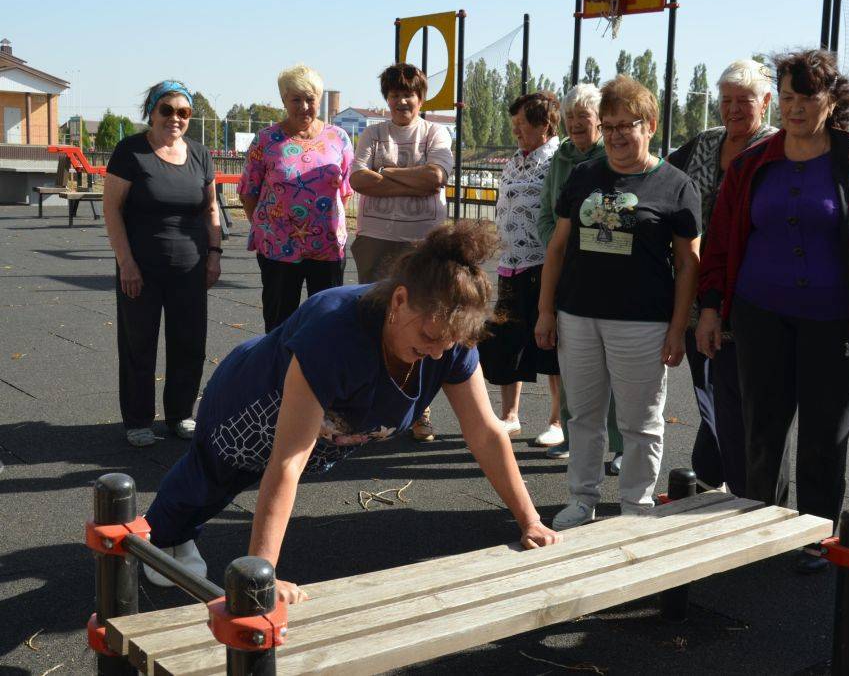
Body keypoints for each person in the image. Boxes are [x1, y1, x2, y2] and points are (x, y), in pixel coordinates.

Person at [142, 221, 560, 600]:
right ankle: (158, 538)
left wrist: (530, 520)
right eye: (430, 336)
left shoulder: (448, 342)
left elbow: (486, 433)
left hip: (328, 422)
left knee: (242, 483)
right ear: (399, 300)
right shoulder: (335, 331)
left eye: (447, 344)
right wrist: (261, 577)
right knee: (213, 477)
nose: (436, 352)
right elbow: (288, 461)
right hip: (250, 400)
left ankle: (177, 535)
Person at [696, 49, 849, 573]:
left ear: (831, 100)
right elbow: (720, 242)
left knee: (824, 434)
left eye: (805, 97)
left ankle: (817, 533)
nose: (793, 109)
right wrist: (709, 309)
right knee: (760, 429)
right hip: (759, 315)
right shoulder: (752, 164)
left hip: (834, 321)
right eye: (786, 97)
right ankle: (760, 523)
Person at [535, 76, 701, 529]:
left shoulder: (676, 185)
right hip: (578, 316)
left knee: (640, 422)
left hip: (642, 323)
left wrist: (676, 327)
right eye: (607, 126)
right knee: (583, 415)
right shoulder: (584, 175)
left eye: (625, 125)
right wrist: (546, 310)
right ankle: (582, 500)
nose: (614, 135)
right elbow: (557, 247)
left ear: (649, 126)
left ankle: (635, 505)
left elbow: (689, 264)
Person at [668, 59, 778, 495]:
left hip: (750, 295)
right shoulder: (705, 143)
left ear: (766, 102)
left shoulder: (776, 148)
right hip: (699, 295)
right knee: (710, 390)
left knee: (745, 400)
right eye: (726, 100)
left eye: (744, 101)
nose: (733, 110)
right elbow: (662, 179)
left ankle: (741, 486)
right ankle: (713, 472)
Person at [103, 80, 221, 447]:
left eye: (183, 112)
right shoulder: (131, 152)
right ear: (151, 112)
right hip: (142, 266)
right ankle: (138, 419)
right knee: (139, 343)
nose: (175, 118)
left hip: (190, 266)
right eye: (167, 110)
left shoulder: (200, 155)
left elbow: (210, 208)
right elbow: (112, 209)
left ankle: (180, 414)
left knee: (189, 342)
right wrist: (126, 263)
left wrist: (214, 255)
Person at [349, 63, 454, 441]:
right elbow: (358, 179)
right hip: (376, 238)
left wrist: (386, 172)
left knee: (422, 321)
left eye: (408, 94)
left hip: (421, 241)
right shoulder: (373, 133)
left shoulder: (434, 132)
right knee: (377, 321)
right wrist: (410, 180)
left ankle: (418, 408)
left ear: (420, 98)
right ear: (387, 99)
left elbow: (435, 178)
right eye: (394, 95)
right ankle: (373, 407)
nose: (401, 101)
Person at [536, 83, 624, 471]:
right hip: (566, 268)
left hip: (604, 271)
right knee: (573, 360)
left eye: (583, 117)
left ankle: (621, 446)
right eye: (570, 118)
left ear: (600, 121)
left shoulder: (613, 157)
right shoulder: (561, 158)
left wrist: (578, 245)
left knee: (616, 366)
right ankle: (573, 438)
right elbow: (545, 213)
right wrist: (558, 244)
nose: (575, 124)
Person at [238, 65, 354, 333]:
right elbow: (248, 192)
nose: (304, 106)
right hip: (278, 248)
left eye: (310, 99)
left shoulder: (339, 138)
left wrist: (327, 222)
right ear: (283, 100)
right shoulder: (266, 140)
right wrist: (268, 227)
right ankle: (278, 373)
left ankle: (318, 374)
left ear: (320, 99)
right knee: (279, 322)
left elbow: (346, 190)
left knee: (327, 323)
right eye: (296, 99)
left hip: (326, 247)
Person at [478, 92, 563, 447]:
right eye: (513, 124)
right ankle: (510, 416)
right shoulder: (514, 160)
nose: (516, 131)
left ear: (544, 124)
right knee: (506, 342)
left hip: (544, 264)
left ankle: (557, 421)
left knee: (550, 344)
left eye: (521, 124)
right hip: (510, 265)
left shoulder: (558, 159)